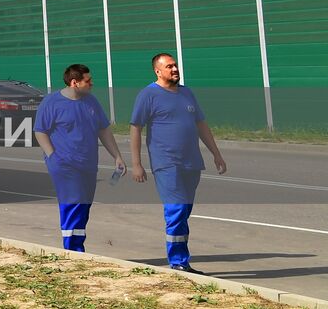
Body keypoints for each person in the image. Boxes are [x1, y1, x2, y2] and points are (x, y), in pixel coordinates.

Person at [130, 53, 228, 273]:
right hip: (166, 162)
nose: (174, 69)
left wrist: (216, 154)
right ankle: (178, 261)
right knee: (176, 209)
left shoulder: (186, 93)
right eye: (169, 66)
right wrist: (137, 163)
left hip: (191, 162)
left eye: (175, 66)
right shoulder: (148, 95)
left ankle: (181, 259)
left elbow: (201, 124)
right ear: (158, 71)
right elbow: (135, 128)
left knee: (184, 211)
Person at [34, 63, 126, 252]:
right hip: (64, 164)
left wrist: (117, 156)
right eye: (88, 80)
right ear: (75, 82)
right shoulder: (51, 102)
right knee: (73, 204)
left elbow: (104, 130)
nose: (92, 83)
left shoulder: (91, 102)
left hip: (88, 164)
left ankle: (76, 248)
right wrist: (53, 156)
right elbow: (40, 131)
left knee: (83, 207)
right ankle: (73, 252)